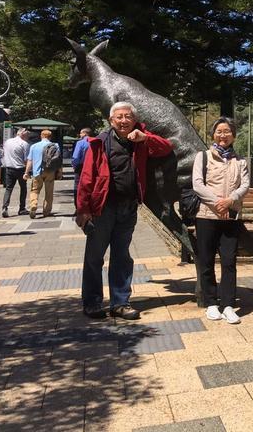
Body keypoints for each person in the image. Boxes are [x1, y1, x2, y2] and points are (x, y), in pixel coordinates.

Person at [76, 101, 172, 320]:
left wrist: (145, 138)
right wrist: (82, 209)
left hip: (128, 208)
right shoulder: (99, 142)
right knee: (94, 257)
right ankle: (92, 303)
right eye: (119, 117)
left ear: (134, 119)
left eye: (128, 116)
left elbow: (166, 147)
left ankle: (120, 303)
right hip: (102, 209)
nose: (123, 120)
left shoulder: (140, 139)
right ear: (111, 120)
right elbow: (87, 178)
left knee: (122, 257)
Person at [192, 117, 250, 324]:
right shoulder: (203, 157)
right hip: (207, 216)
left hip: (230, 217)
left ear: (233, 135)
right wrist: (218, 203)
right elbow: (197, 184)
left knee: (229, 261)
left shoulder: (240, 161)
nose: (223, 135)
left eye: (227, 131)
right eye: (219, 131)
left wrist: (230, 201)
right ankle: (211, 303)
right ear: (213, 134)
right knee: (206, 261)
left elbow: (245, 185)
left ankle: (228, 305)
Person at [24, 130, 63, 219]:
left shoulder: (34, 146)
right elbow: (58, 160)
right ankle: (46, 211)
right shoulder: (55, 145)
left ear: (41, 136)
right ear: (50, 137)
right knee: (49, 192)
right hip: (50, 171)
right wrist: (60, 172)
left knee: (35, 190)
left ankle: (33, 204)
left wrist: (26, 172)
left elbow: (30, 161)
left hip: (37, 172)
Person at [2, 127, 30, 218]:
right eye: (27, 135)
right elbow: (26, 159)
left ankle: (5, 207)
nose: (28, 137)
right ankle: (22, 208)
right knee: (23, 188)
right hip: (20, 169)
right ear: (22, 134)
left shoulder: (8, 142)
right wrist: (28, 171)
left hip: (9, 168)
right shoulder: (24, 144)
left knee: (8, 189)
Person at [71, 128, 92, 206]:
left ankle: (78, 205)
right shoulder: (94, 142)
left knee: (78, 186)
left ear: (85, 133)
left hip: (81, 166)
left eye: (81, 133)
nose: (80, 135)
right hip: (92, 166)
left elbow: (76, 156)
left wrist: (74, 165)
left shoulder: (80, 143)